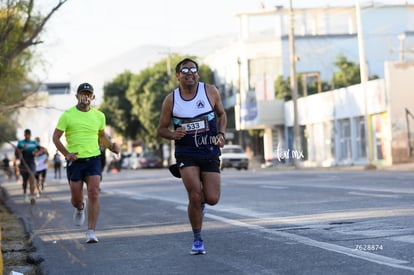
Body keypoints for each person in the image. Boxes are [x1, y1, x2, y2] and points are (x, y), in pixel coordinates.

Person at [157, 58, 227, 255]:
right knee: (194, 195)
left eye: (193, 70)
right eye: (185, 70)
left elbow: (222, 115)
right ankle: (197, 239)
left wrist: (221, 134)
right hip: (186, 152)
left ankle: (201, 204)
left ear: (198, 74)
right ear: (178, 75)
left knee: (212, 198)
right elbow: (161, 129)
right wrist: (173, 134)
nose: (190, 73)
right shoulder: (171, 99)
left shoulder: (210, 91)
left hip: (209, 150)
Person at [52, 82, 120, 243]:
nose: (86, 97)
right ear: (77, 96)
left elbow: (102, 135)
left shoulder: (99, 116)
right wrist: (66, 154)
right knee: (76, 198)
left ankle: (91, 231)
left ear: (93, 97)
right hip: (75, 161)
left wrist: (111, 146)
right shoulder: (67, 115)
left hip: (93, 159)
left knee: (94, 193)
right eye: (83, 94)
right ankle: (80, 207)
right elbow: (55, 137)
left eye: (88, 94)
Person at [15, 129, 38, 204]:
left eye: (28, 134)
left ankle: (32, 197)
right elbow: (16, 153)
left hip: (31, 163)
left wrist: (36, 153)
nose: (27, 136)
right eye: (26, 134)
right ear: (24, 135)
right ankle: (25, 192)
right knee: (25, 181)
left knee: (32, 178)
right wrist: (22, 149)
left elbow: (40, 150)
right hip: (23, 164)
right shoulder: (20, 143)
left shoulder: (34, 143)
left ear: (30, 135)